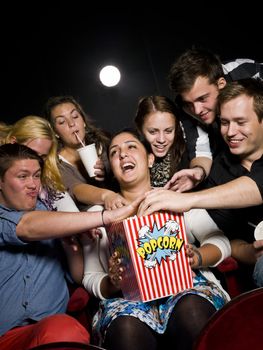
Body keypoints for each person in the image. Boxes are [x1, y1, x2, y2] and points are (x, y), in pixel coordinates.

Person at [82, 129, 230, 350]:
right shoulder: (98, 214)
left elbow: (222, 242)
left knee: (191, 308)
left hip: (185, 288)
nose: (123, 155)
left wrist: (196, 257)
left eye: (131, 147)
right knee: (125, 328)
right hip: (127, 302)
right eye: (115, 152)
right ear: (112, 167)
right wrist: (113, 282)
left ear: (150, 158)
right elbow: (89, 276)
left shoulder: (174, 200)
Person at [0, 142, 142, 349]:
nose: (33, 184)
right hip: (6, 335)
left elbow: (77, 276)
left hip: (52, 332)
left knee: (65, 329)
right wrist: (105, 216)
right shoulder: (28, 220)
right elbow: (27, 226)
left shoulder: (57, 216)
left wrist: (74, 244)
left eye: (37, 175)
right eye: (22, 176)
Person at [138, 79, 263, 275]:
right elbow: (229, 237)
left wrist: (186, 200)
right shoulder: (217, 172)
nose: (230, 132)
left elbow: (256, 186)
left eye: (240, 122)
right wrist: (249, 253)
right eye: (224, 122)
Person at [166, 47, 263, 195]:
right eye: (189, 103)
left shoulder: (248, 72)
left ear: (221, 84)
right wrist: (198, 171)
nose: (197, 110)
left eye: (202, 99)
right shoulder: (185, 108)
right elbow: (201, 148)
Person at [43, 95, 129, 210]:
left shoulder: (103, 146)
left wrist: (107, 170)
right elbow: (77, 190)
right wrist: (106, 196)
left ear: (83, 121)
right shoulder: (57, 165)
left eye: (75, 116)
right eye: (62, 122)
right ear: (56, 132)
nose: (71, 123)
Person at [0, 115, 79, 211]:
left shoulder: (46, 178)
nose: (37, 162)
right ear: (13, 143)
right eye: (32, 153)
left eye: (43, 157)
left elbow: (64, 202)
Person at [134, 95, 212, 190]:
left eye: (168, 131)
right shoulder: (133, 151)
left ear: (176, 127)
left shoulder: (187, 148)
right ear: (140, 129)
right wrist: (110, 195)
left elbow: (201, 156)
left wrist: (198, 171)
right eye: (153, 132)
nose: (161, 140)